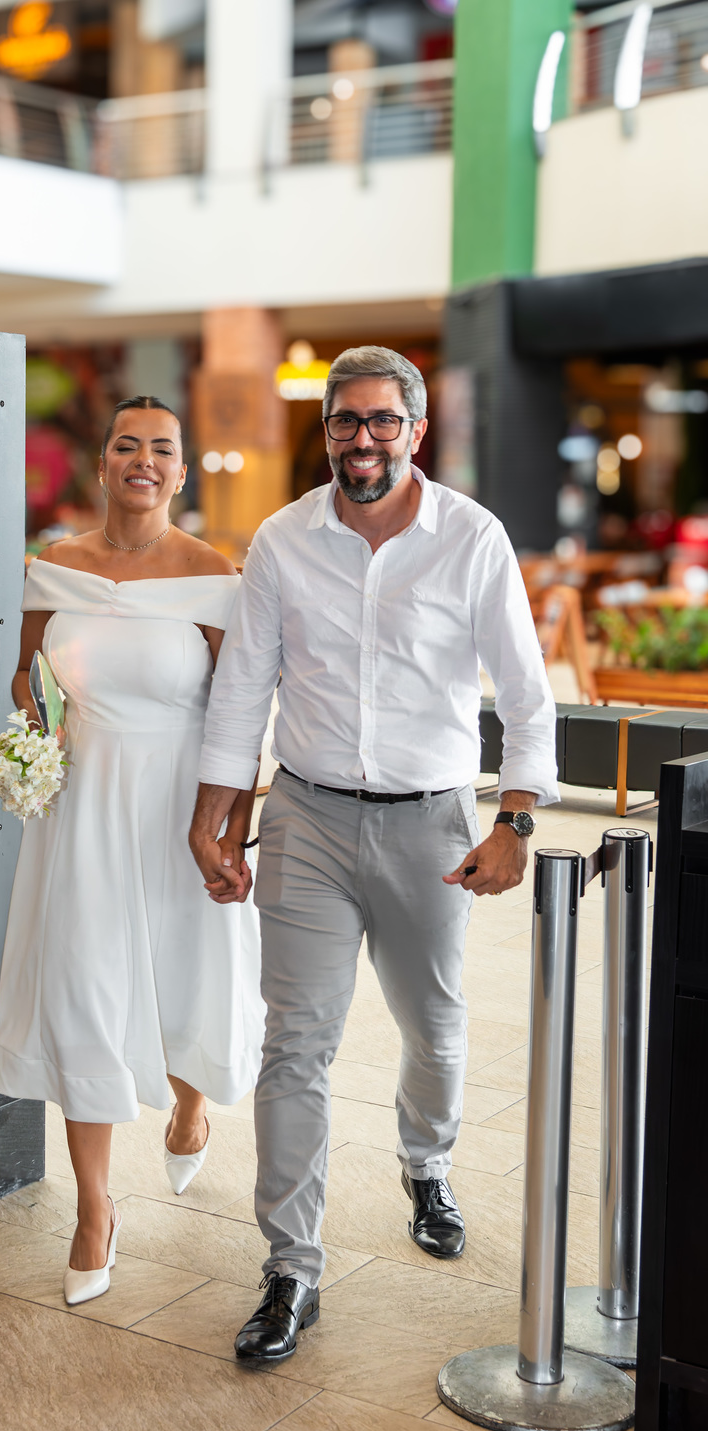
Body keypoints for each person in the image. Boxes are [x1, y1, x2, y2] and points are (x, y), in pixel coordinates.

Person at [189, 345, 558, 1364]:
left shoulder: (472, 538)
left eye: (382, 420)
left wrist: (515, 820)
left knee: (433, 1027)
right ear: (326, 433)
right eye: (345, 421)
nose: (363, 439)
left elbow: (527, 693)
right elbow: (243, 688)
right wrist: (218, 813)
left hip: (430, 825)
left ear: (416, 430)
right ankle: (291, 1267)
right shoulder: (282, 539)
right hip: (305, 819)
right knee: (295, 1044)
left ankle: (426, 1164)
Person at [0, 395, 263, 1307]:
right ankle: (94, 1210)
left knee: (183, 979)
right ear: (102, 463)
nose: (142, 460)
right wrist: (35, 735)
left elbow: (240, 711)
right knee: (86, 989)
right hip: (83, 814)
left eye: (162, 448)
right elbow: (28, 680)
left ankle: (190, 1108)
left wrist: (229, 826)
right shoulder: (52, 571)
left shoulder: (214, 577)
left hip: (182, 807)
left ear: (181, 471)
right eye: (125, 445)